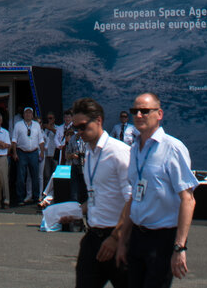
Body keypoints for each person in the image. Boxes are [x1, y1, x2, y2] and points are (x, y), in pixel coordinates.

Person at [113, 93, 195, 288]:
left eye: (145, 111)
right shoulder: (134, 149)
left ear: (159, 114)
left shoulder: (172, 148)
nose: (139, 115)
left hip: (162, 240)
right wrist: (123, 241)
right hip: (138, 237)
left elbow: (188, 199)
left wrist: (180, 247)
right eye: (135, 111)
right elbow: (134, 197)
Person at [72, 97, 130, 288]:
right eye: (76, 128)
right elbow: (97, 195)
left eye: (82, 126)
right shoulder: (90, 153)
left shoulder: (119, 152)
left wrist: (115, 237)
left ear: (98, 121)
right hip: (93, 238)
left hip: (118, 239)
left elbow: (133, 200)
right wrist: (76, 211)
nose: (79, 132)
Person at [15, 106, 47, 202]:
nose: (28, 115)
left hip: (33, 152)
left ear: (32, 115)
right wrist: (14, 153)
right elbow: (14, 140)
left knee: (35, 176)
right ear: (24, 114)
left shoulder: (36, 125)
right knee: (21, 176)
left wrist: (41, 152)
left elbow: (40, 140)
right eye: (26, 113)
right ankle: (21, 197)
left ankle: (36, 197)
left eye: (30, 113)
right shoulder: (18, 125)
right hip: (22, 152)